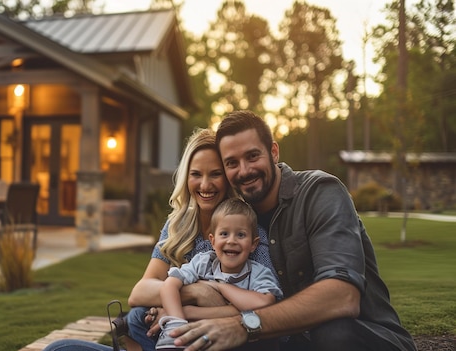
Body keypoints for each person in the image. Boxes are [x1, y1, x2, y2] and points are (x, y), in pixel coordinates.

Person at [167, 110, 417, 351]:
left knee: (332, 334)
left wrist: (244, 326)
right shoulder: (239, 220)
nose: (244, 171)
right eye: (232, 163)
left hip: (363, 335)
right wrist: (183, 302)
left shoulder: (320, 193)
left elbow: (342, 296)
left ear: (274, 152)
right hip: (292, 341)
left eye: (253, 156)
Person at [42, 127, 275, 351]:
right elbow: (140, 292)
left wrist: (181, 307)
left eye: (215, 174)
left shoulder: (247, 231)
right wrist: (196, 292)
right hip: (171, 335)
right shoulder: (178, 225)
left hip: (218, 339)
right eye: (196, 174)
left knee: (136, 317)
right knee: (60, 348)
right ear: (186, 177)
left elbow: (261, 309)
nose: (205, 185)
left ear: (227, 178)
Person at [156, 198, 282, 351]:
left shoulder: (258, 273)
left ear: (253, 244)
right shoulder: (204, 262)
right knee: (138, 318)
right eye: (224, 234)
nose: (231, 241)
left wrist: (219, 287)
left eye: (241, 235)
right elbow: (169, 284)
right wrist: (176, 320)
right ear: (213, 241)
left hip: (242, 343)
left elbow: (265, 304)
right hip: (202, 336)